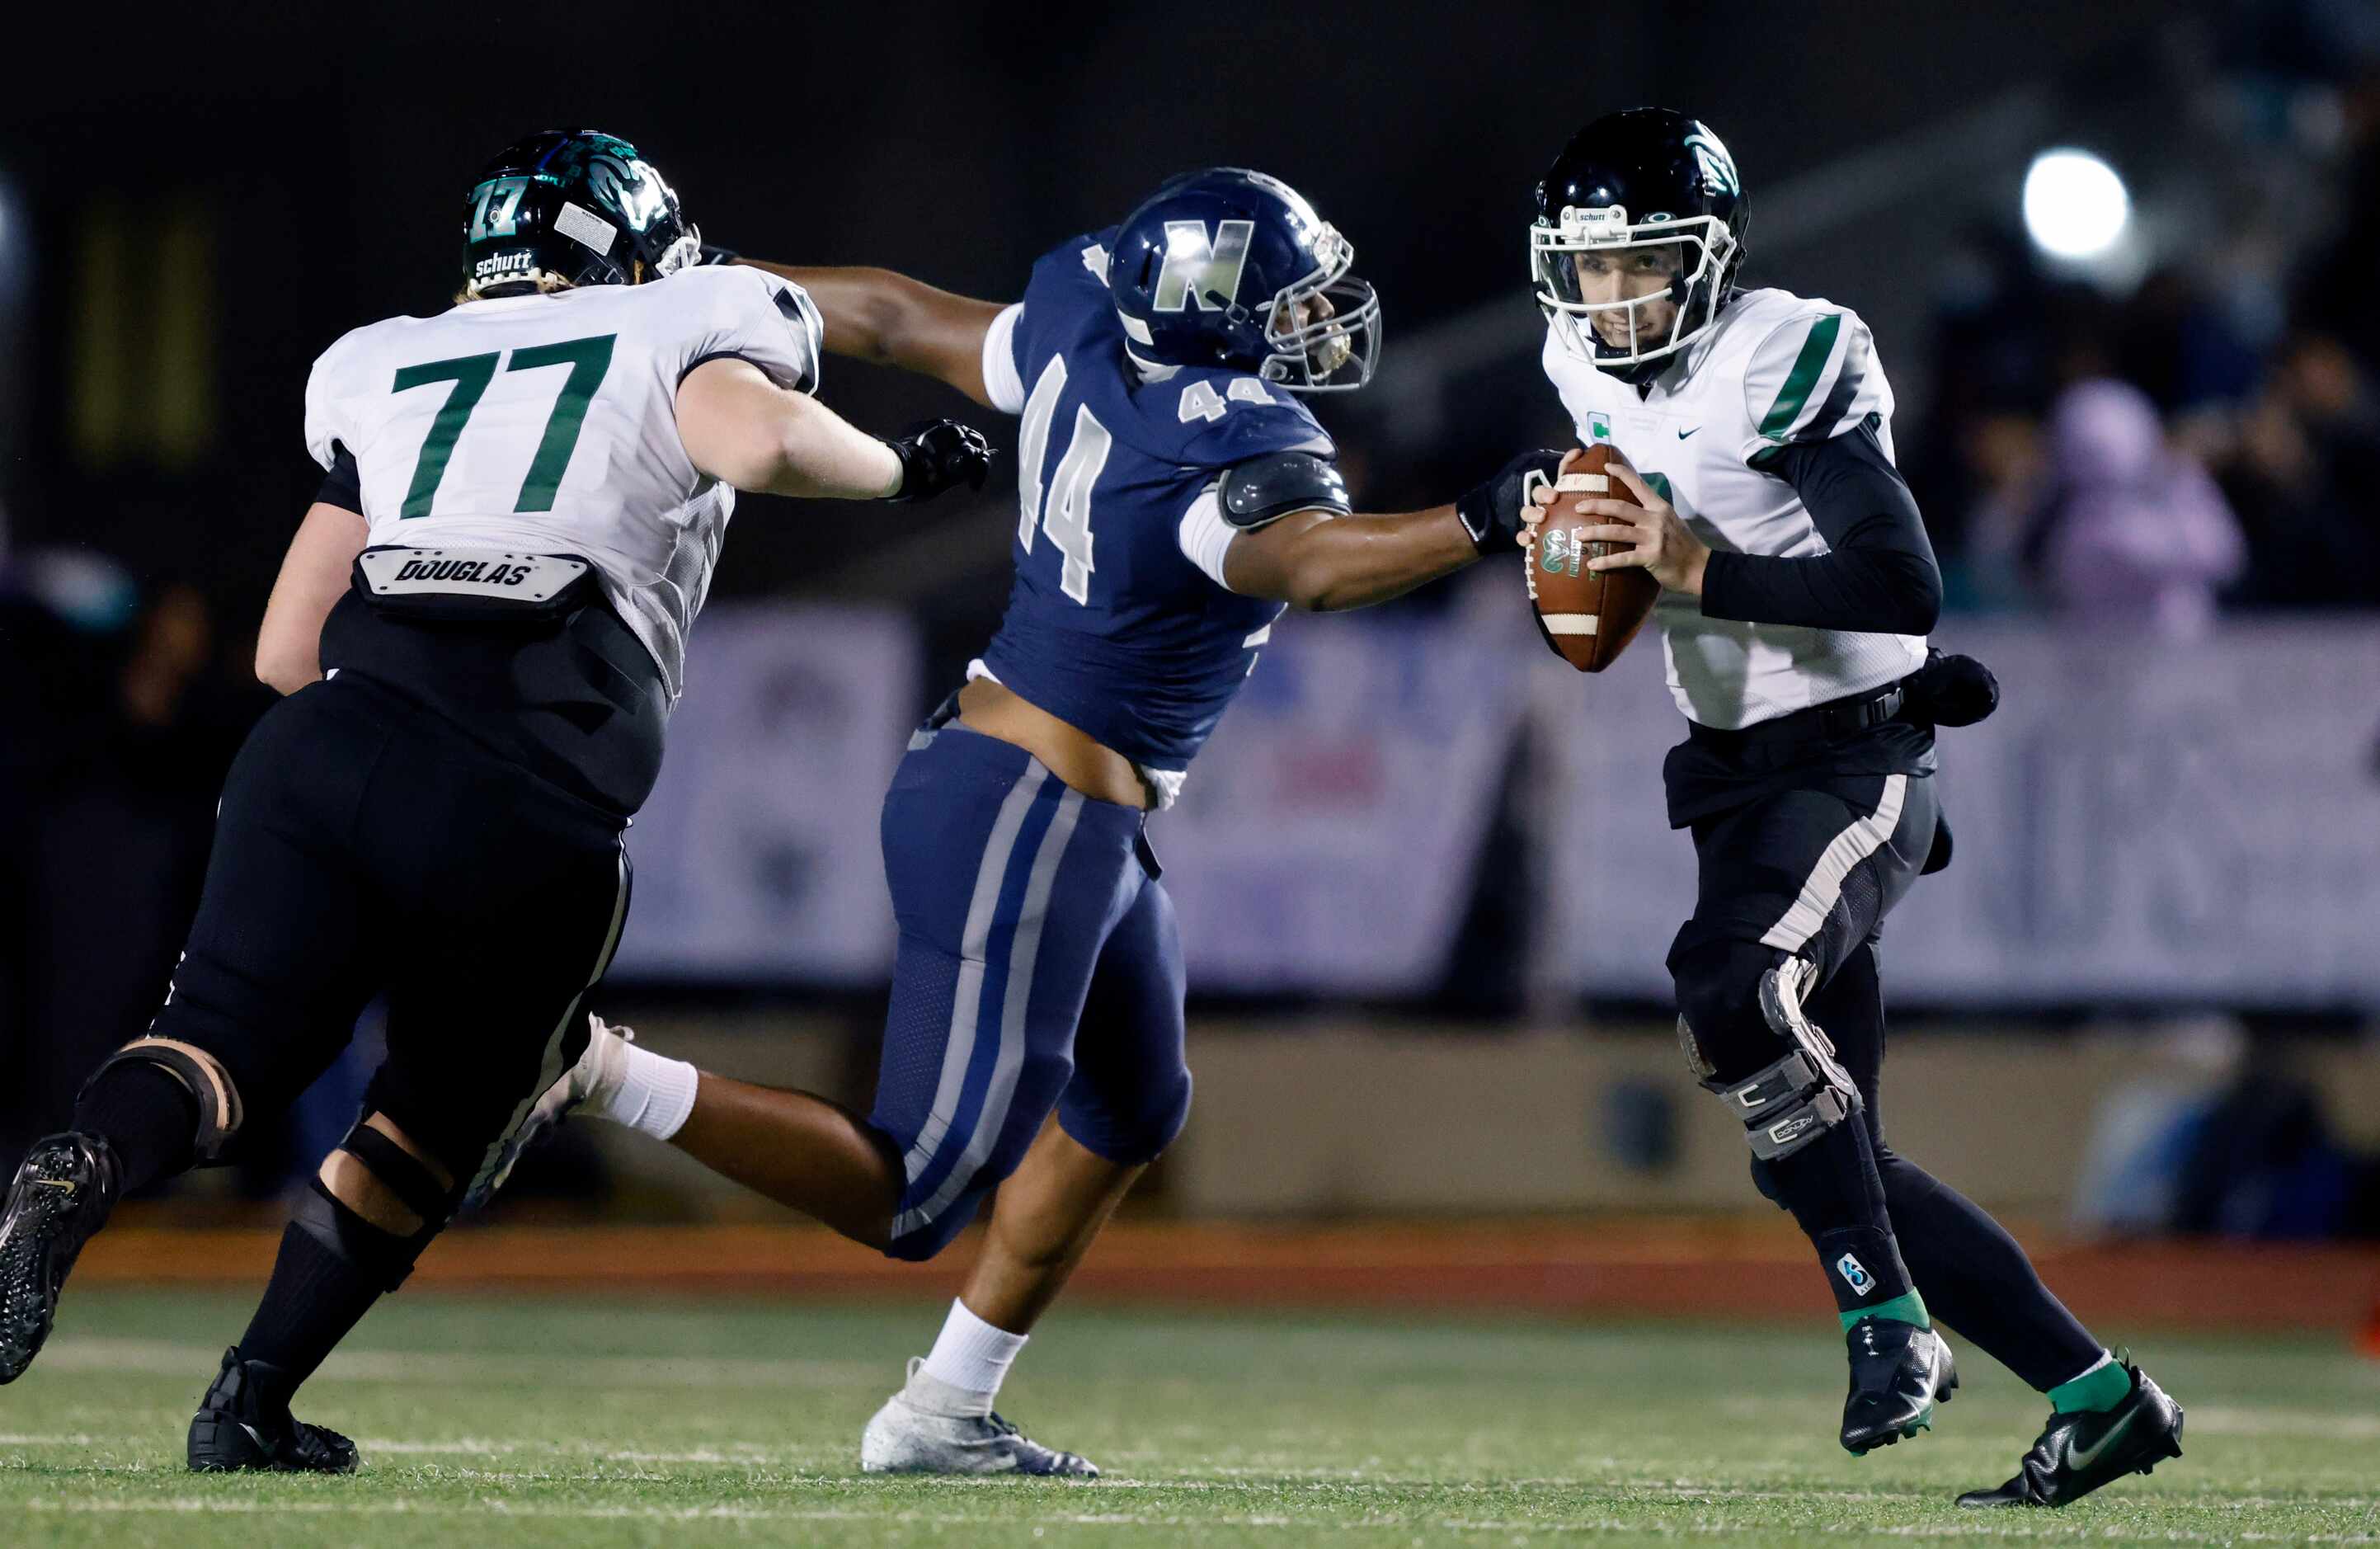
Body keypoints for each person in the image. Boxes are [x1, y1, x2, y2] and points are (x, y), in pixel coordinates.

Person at [473, 167, 1562, 1476]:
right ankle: (594, 1066)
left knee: (1133, 1103)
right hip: (1029, 809)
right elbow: (1312, 566)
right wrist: (1477, 519)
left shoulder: (1080, 316)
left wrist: (690, 297)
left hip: (1055, 806)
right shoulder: (1234, 440)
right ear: (1218, 319)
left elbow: (881, 313)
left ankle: (943, 1406)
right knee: (917, 1188)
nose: (1314, 323)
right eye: (1286, 303)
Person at [0, 127, 991, 1473]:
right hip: (527, 774)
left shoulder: (386, 358)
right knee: (437, 1116)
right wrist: (899, 466)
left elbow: (284, 652)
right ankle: (247, 1395)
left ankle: (84, 1167)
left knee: (216, 1047)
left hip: (329, 739)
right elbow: (756, 440)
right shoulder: (679, 314)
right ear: (634, 245)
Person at [1517, 108, 2185, 1508]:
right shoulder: (1574, 357)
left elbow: (1900, 581)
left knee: (1731, 988)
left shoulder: (1784, 351)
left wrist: (1698, 571)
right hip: (1732, 775)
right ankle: (2098, 1395)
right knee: (1830, 1148)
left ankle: (1887, 1327)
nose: (1609, 298)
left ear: (1704, 256)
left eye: (1638, 265)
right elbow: (1626, 538)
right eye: (1586, 271)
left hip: (1853, 757)